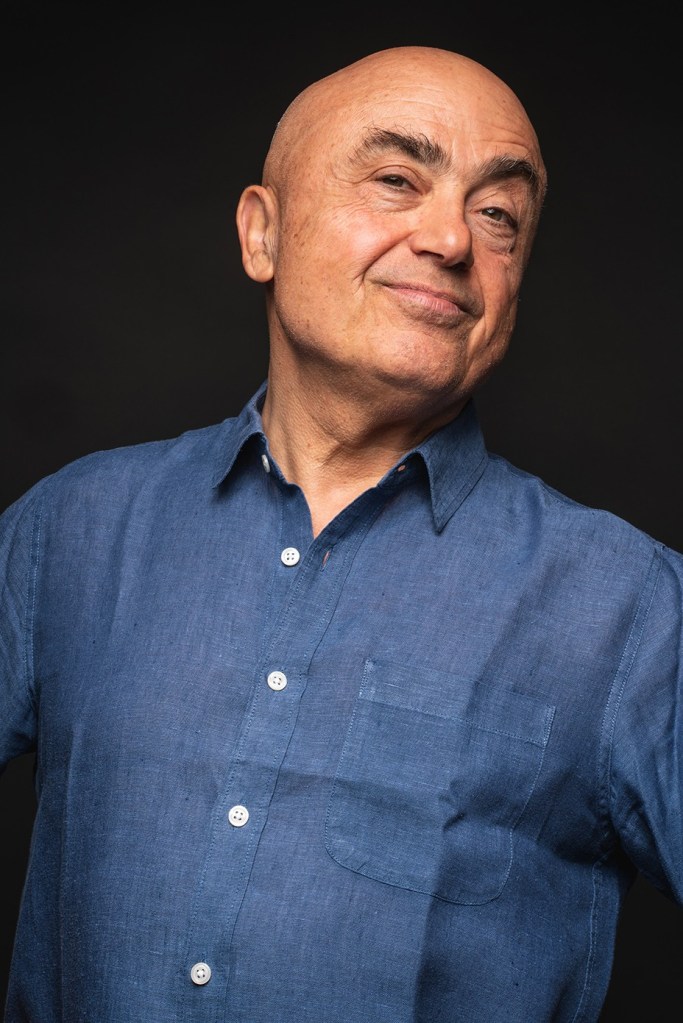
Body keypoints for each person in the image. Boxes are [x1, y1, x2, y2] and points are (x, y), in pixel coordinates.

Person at [0, 43, 681, 1023]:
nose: (450, 238)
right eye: (397, 180)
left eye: (497, 213)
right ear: (262, 233)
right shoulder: (69, 529)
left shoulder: (630, 609)